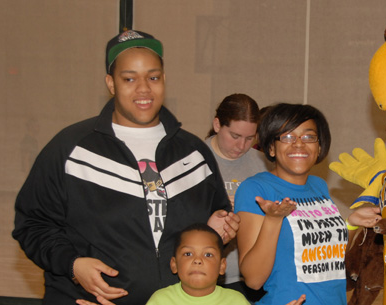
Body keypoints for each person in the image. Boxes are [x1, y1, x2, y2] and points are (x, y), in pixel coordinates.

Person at [12, 30, 239, 305]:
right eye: (129, 78)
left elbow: (210, 227)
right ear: (110, 83)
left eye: (153, 77)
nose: (143, 89)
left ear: (164, 80)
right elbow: (33, 224)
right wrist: (73, 265)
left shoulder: (194, 152)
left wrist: (219, 229)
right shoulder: (71, 148)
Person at [234, 103, 347, 305]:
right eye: (287, 137)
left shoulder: (318, 186)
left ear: (319, 146)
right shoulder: (255, 189)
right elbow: (253, 279)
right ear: (271, 147)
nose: (298, 144)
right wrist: (273, 219)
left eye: (308, 136)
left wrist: (353, 224)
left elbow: (326, 254)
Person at [205, 93, 269, 300]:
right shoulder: (192, 158)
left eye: (250, 138)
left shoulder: (264, 164)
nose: (242, 146)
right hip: (207, 276)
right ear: (217, 125)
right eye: (234, 136)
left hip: (251, 277)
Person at [145, 223, 249, 305]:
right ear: (174, 264)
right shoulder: (160, 300)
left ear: (222, 266)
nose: (197, 260)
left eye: (208, 255)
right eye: (188, 254)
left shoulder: (236, 301)